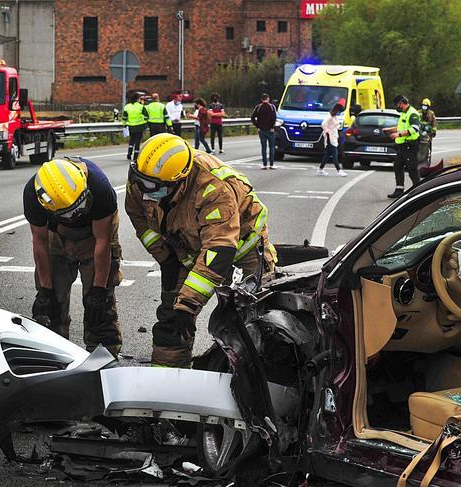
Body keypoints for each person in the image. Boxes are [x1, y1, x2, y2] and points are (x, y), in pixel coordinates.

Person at [126, 133, 276, 368]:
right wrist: (166, 259)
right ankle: (165, 381)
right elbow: (140, 220)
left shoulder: (213, 188)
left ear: (179, 181)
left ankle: (255, 381)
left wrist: (189, 304)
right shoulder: (145, 177)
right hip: (187, 246)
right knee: (172, 319)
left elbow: (218, 252)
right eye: (140, 181)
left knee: (256, 318)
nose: (144, 191)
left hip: (242, 247)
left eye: (152, 187)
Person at [26, 158, 123, 355]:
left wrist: (98, 290)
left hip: (95, 234)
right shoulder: (33, 195)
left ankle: (103, 358)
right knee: (51, 305)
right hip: (58, 236)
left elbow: (102, 242)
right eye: (70, 213)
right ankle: (55, 356)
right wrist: (46, 289)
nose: (77, 215)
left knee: (100, 308)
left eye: (80, 207)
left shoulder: (100, 187)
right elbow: (40, 243)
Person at [382, 95, 421, 199]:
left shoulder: (412, 114)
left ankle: (419, 191)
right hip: (403, 146)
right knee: (397, 166)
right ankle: (399, 189)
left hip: (410, 145)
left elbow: (414, 128)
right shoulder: (404, 113)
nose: (397, 106)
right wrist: (390, 130)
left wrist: (398, 135)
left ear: (403, 103)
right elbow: (401, 127)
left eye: (398, 104)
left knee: (412, 169)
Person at [317, 103, 347, 176]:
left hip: (334, 136)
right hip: (330, 137)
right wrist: (327, 131)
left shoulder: (334, 116)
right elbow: (323, 124)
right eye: (340, 111)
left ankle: (320, 169)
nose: (340, 113)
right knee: (335, 154)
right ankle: (339, 170)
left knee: (327, 154)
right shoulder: (330, 116)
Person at [251, 93, 277, 170]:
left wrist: (257, 126)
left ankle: (264, 164)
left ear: (262, 99)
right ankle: (271, 164)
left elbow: (252, 117)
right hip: (270, 130)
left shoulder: (258, 107)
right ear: (268, 99)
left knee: (263, 147)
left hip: (261, 130)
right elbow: (274, 118)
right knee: (271, 147)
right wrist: (272, 127)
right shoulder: (272, 107)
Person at [122, 92, 148, 161]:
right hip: (139, 126)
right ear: (137, 99)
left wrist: (124, 125)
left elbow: (124, 117)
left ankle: (129, 154)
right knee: (137, 141)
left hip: (131, 126)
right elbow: (146, 116)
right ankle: (135, 156)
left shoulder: (127, 106)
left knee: (131, 140)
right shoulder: (141, 106)